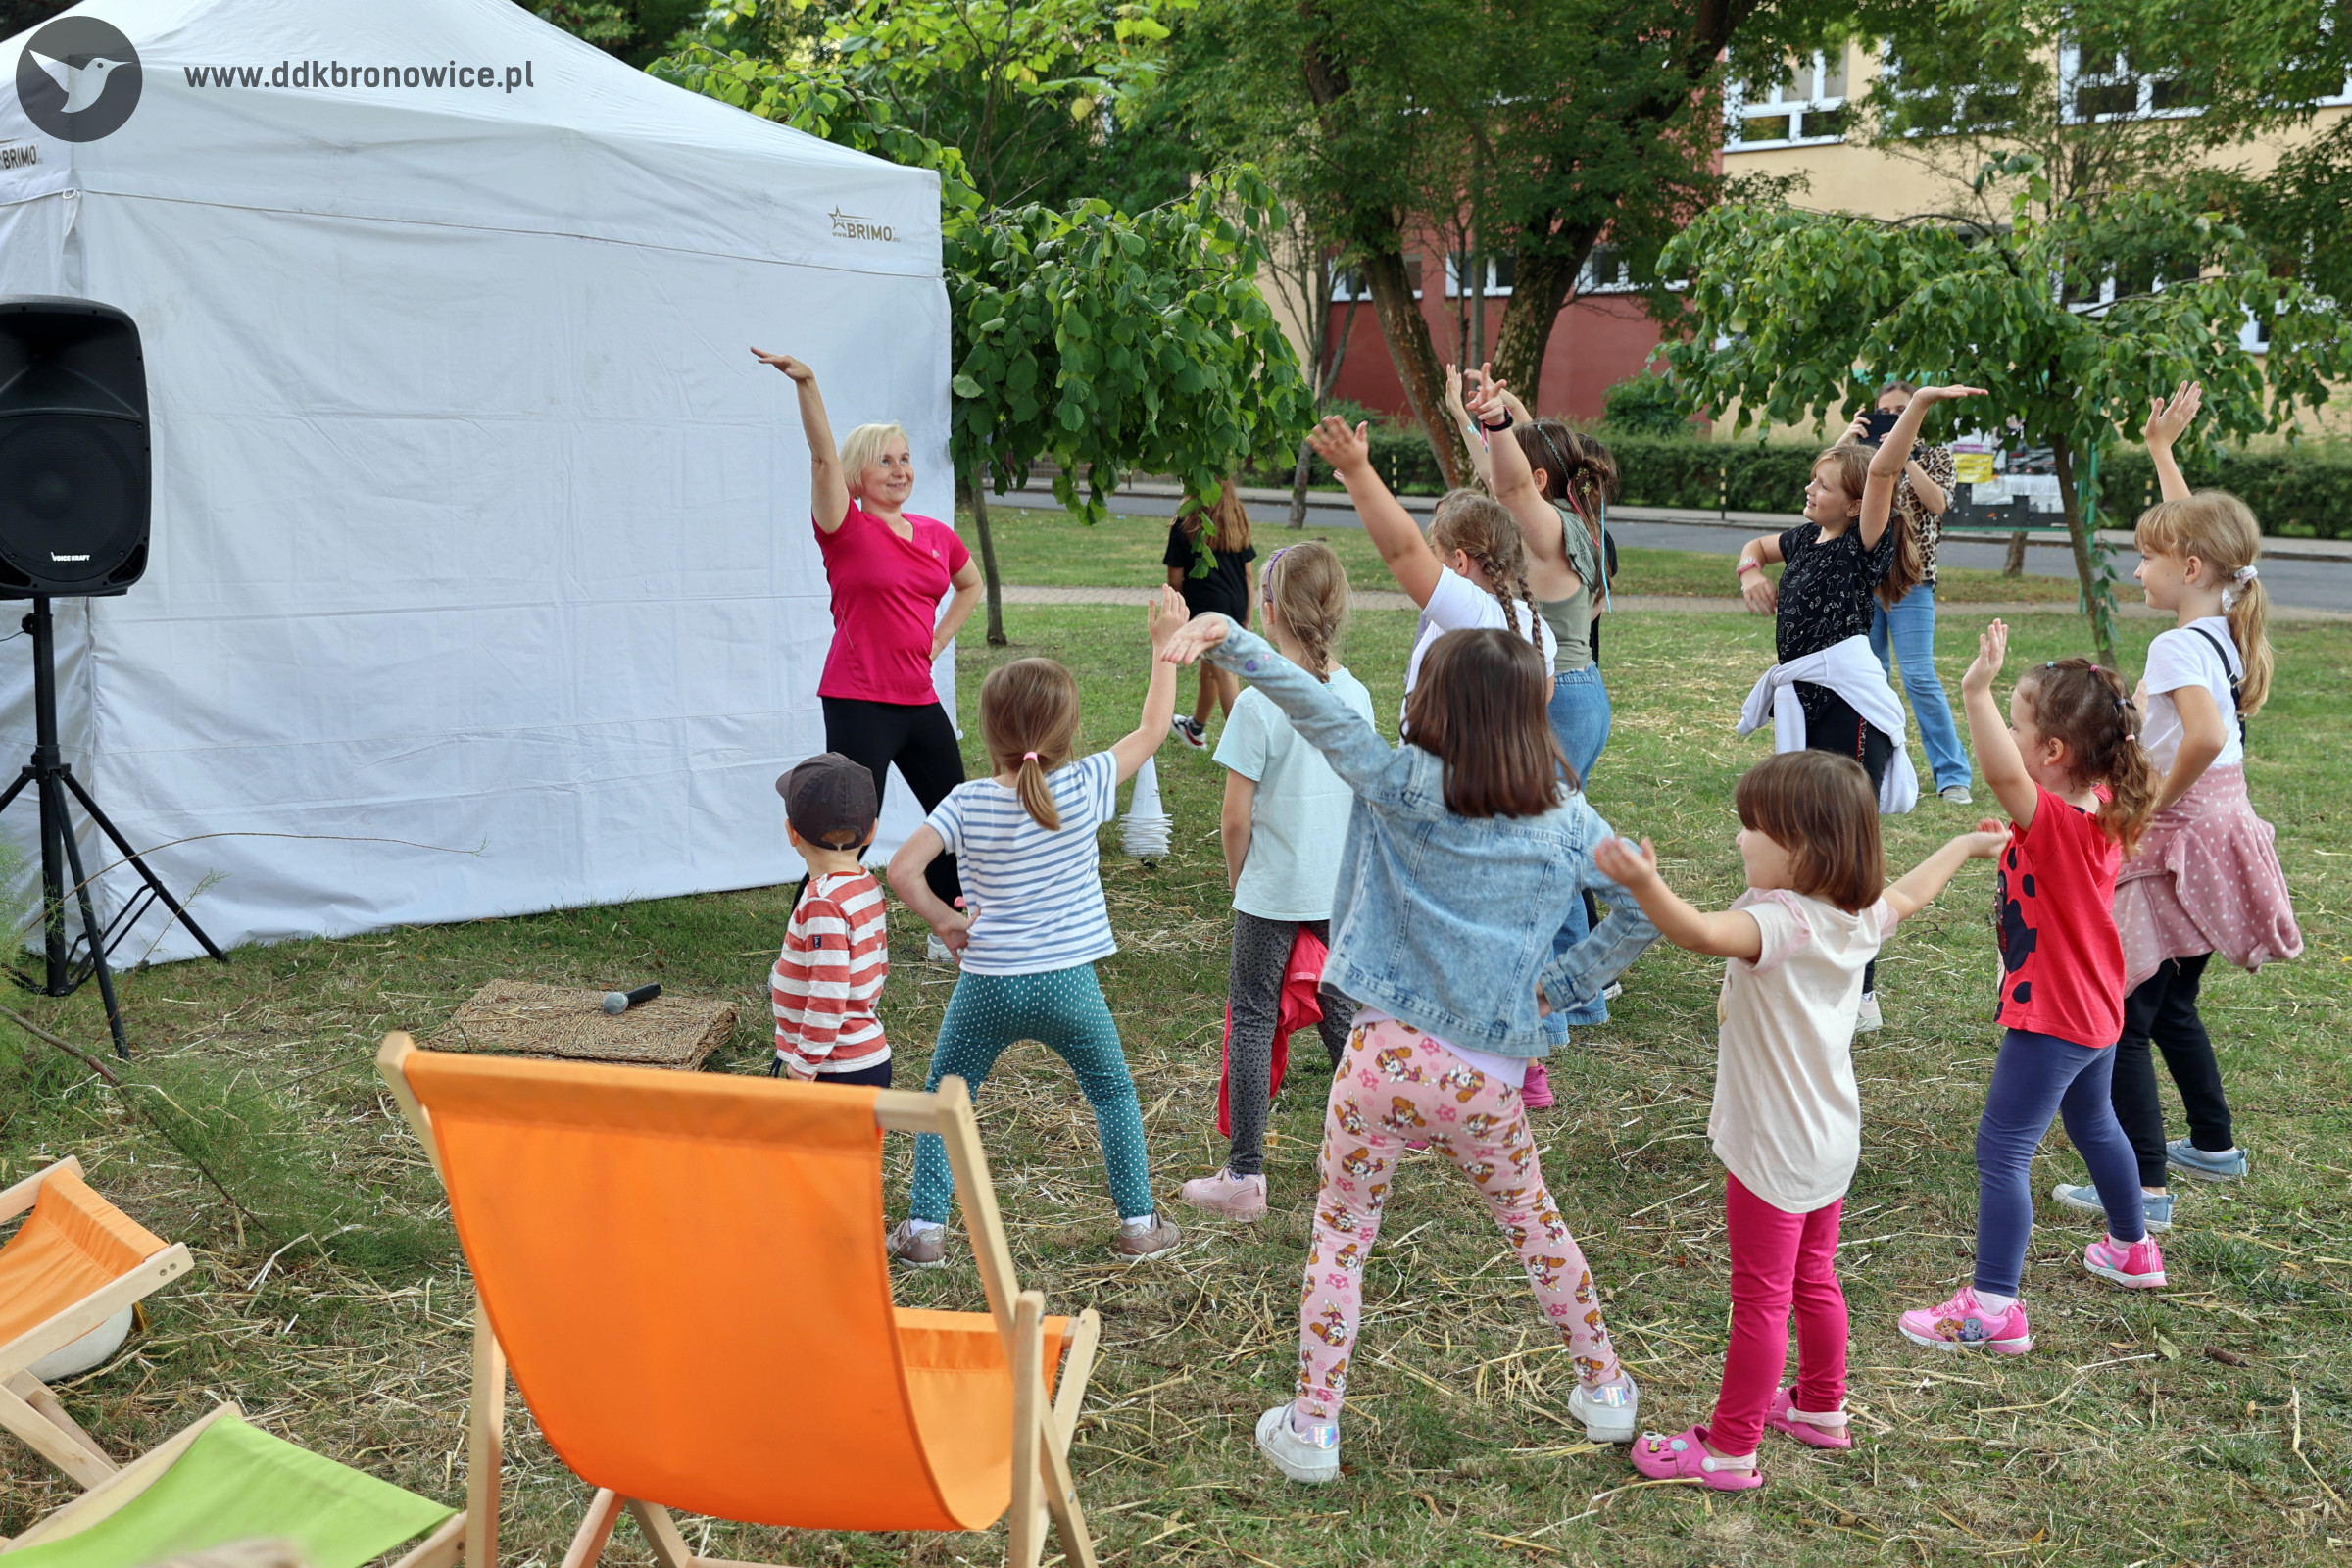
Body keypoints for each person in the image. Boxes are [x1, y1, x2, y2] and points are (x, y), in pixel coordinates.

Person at [1158, 612, 1658, 1485]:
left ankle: (1314, 1428)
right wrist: (1560, 986)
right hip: (1487, 1080)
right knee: (1533, 1221)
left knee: (1343, 1234)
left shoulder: (1398, 781)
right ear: (1531, 712)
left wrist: (1234, 643)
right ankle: (1607, 1388)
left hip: (1377, 1061)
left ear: (1434, 702)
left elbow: (1316, 709)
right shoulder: (1569, 819)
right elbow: (1644, 906)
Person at [1593, 752, 2003, 1490]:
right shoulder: (1856, 915)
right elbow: (1913, 891)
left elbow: (1698, 933)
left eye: (1753, 827)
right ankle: (1820, 1406)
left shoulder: (1780, 922)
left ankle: (1729, 1448)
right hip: (1831, 1136)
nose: (1739, 837)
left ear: (1802, 850)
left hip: (1773, 1148)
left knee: (1760, 1302)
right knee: (1815, 1277)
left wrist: (1646, 884)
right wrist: (1967, 845)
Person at [2051, 382, 2303, 1230]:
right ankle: (2214, 1145)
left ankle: (2146, 1188)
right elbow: (2199, 540)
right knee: (2172, 1003)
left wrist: (2149, 807)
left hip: (2180, 844)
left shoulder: (2174, 646)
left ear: (2189, 571)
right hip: (2225, 834)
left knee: (2121, 1014)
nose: (2138, 569)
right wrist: (2162, 453)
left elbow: (2200, 736)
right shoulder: (2226, 623)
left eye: (2146, 558)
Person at [883, 589, 1191, 1265]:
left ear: (989, 733)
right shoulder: (1085, 785)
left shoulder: (965, 801)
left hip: (987, 985)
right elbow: (1152, 729)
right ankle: (1139, 1225)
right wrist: (1164, 648)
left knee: (946, 1097)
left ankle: (925, 1232)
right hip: (1070, 985)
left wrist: (947, 922)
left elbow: (903, 871)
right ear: (1068, 732)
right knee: (1111, 1091)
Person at [1897, 622, 2165, 1355]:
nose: (2008, 739)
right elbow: (2032, 805)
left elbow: (2000, 775)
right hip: (2096, 1006)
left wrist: (1975, 690)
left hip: (2052, 1014)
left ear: (2052, 753)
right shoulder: (2099, 801)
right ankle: (2132, 1248)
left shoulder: (2058, 821)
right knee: (2095, 1122)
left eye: (2017, 729)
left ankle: (1992, 1308)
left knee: (2002, 1150)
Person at [1301, 414, 1564, 1104]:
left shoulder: (1472, 613)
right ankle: (1521, 1063)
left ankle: (1410, 1063)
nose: (1430, 559)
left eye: (1439, 550)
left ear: (1462, 561)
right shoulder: (1533, 627)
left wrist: (1360, 471)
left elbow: (1400, 553)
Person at [1737, 384, 1980, 1031]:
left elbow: (1881, 471)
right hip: (1806, 704)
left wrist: (1917, 406)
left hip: (1850, 709)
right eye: (1812, 482)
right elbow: (1754, 547)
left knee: (1843, 842)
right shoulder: (1805, 539)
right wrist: (1748, 572)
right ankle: (1804, 956)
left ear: (1852, 504)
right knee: (1800, 832)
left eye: (1821, 486)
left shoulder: (1860, 543)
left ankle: (1861, 992)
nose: (1809, 491)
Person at [754, 349, 982, 943]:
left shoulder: (936, 536)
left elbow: (970, 585)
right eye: (885, 460)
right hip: (858, 701)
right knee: (846, 829)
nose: (900, 469)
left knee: (954, 818)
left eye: (905, 458)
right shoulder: (845, 530)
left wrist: (938, 640)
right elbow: (822, 458)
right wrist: (808, 383)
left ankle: (951, 924)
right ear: (859, 474)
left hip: (918, 700)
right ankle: (808, 940)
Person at [1182, 542, 1369, 1221]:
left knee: (1254, 1019)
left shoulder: (1259, 704)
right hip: (1338, 888)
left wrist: (1242, 881)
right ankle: (1364, 1159)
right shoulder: (1356, 695)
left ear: (1267, 609)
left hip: (1272, 891)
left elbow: (1236, 818)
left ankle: (1245, 1176)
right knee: (1344, 1019)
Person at [1464, 371, 1621, 1044]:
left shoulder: (1551, 529)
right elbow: (1509, 473)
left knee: (1542, 855)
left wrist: (1498, 423)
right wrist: (1480, 420)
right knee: (1551, 848)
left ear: (1538, 481)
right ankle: (1580, 1000)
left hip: (1563, 704)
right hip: (1577, 698)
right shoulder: (1573, 519)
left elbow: (1508, 483)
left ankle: (1566, 1002)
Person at [1857, 382, 1973, 804]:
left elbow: (1938, 504)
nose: (1893, 417)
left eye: (1901, 410)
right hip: (1863, 581)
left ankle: (1952, 775)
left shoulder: (1936, 455)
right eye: (1885, 411)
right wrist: (1850, 442)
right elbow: (1825, 494)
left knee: (1919, 677)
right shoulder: (1860, 456)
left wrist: (1903, 456)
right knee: (1868, 677)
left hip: (1912, 582)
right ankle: (1870, 772)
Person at [768, 754, 892, 1086]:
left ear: (792, 833)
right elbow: (879, 965)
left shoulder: (823, 902)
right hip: (863, 1057)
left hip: (831, 1068)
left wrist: (804, 1064)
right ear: (872, 832)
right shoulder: (867, 885)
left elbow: (828, 992)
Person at [1165, 479, 1257, 748]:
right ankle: (1195, 729)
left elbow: (1175, 579)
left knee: (1225, 673)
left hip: (1206, 608)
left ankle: (1244, 748)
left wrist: (1181, 616)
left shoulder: (1186, 522)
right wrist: (1247, 615)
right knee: (1211, 669)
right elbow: (1248, 574)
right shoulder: (1236, 517)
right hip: (1236, 603)